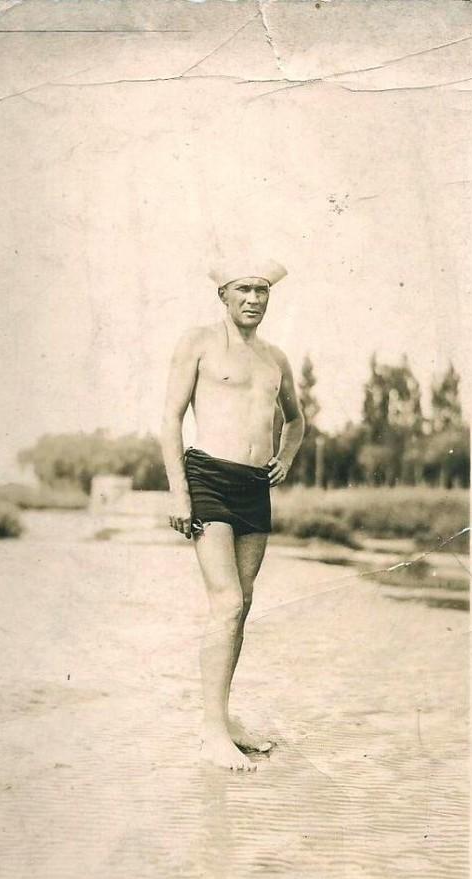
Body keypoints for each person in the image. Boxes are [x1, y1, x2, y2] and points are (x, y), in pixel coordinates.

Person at [161, 259, 305, 771]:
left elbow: (296, 420)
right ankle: (211, 733)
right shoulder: (198, 342)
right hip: (208, 477)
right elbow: (170, 419)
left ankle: (223, 720)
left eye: (262, 290)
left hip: (253, 487)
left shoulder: (275, 358)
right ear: (223, 294)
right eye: (244, 289)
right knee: (226, 603)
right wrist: (179, 494)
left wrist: (285, 457)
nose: (254, 298)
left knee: (240, 605)